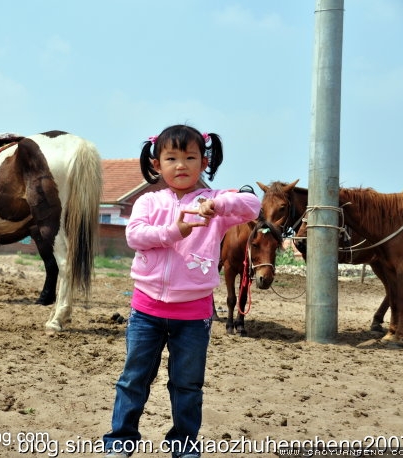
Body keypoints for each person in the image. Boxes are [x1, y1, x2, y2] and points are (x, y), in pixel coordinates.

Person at [102, 124, 260, 458]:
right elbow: (135, 236)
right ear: (157, 163)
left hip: (193, 315)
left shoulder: (215, 202)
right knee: (133, 380)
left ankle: (184, 446)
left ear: (204, 162)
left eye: (190, 157)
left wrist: (217, 205)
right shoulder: (148, 201)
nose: (181, 165)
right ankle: (120, 441)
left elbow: (252, 206)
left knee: (187, 385)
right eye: (171, 157)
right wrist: (176, 230)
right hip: (146, 311)